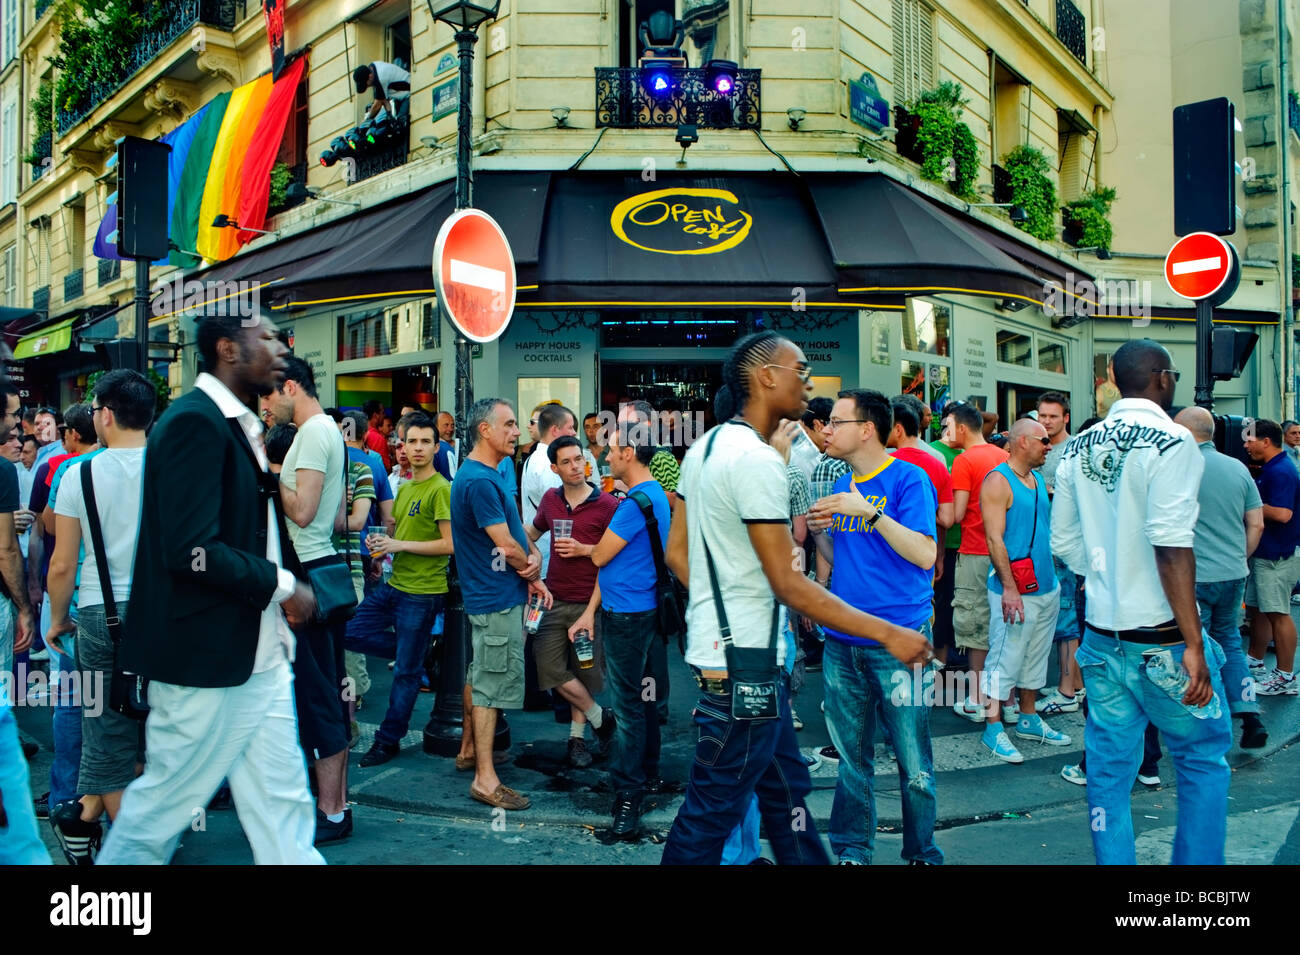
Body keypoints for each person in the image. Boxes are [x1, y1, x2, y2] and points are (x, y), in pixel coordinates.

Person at [660, 332, 931, 865]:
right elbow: (789, 581)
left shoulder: (704, 447)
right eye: (799, 368)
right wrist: (888, 632)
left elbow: (677, 554)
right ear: (765, 377)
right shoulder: (758, 462)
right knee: (711, 810)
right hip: (747, 669)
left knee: (788, 801)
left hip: (737, 662)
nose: (808, 381)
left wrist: (723, 611)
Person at [97, 309, 323, 865]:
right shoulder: (194, 422)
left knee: (284, 806)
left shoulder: (235, 423)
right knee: (159, 811)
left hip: (256, 654)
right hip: (206, 657)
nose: (280, 348)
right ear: (227, 349)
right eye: (266, 337)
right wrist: (283, 585)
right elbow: (189, 552)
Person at [1051, 338, 1230, 866]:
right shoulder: (1174, 442)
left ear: (1111, 375)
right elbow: (1171, 544)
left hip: (1103, 637)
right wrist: (1194, 641)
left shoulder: (1079, 446)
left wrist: (1105, 572)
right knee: (1199, 759)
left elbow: (1063, 542)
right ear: (1165, 379)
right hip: (1165, 640)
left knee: (1108, 776)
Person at [808, 389, 943, 866]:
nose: (826, 429)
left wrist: (871, 512)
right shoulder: (842, 483)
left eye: (836, 422)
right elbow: (840, 559)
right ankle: (851, 851)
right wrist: (820, 531)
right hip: (844, 644)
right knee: (851, 759)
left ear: (866, 429)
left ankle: (922, 852)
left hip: (899, 643)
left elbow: (926, 554)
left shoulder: (909, 479)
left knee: (914, 765)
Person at [44, 371, 154, 863]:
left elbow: (63, 563)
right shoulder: (174, 470)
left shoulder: (77, 474)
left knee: (106, 732)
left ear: (105, 414)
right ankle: (86, 816)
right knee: (157, 735)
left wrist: (57, 620)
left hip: (98, 616)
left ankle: (122, 844)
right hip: (166, 619)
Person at [263, 356, 354, 845]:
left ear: (291, 386)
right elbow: (338, 516)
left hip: (309, 572)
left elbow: (304, 511)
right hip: (315, 569)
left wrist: (268, 472)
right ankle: (334, 807)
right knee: (322, 692)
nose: (265, 405)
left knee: (319, 697)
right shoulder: (321, 433)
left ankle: (333, 812)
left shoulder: (315, 431)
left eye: (269, 394)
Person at [451, 398, 549, 812]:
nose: (516, 431)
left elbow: (514, 533)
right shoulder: (478, 481)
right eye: (508, 424)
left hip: (496, 597)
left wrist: (532, 557)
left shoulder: (487, 475)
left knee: (480, 675)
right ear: (484, 431)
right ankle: (485, 779)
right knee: (491, 688)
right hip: (495, 600)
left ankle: (471, 752)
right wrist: (534, 573)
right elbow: (506, 546)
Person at [346, 412, 454, 767]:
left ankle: (387, 739)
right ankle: (418, 650)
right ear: (401, 447)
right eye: (412, 441)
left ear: (436, 447)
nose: (419, 448)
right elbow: (399, 535)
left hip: (423, 592)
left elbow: (449, 544)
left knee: (405, 674)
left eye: (426, 441)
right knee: (347, 632)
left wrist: (399, 546)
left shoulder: (441, 489)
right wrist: (385, 546)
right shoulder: (403, 486)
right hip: (396, 584)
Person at [588, 400, 672, 838]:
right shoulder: (656, 494)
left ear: (630, 454)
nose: (605, 454)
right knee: (644, 699)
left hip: (626, 616)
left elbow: (603, 554)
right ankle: (648, 774)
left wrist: (587, 549)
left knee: (626, 708)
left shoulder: (631, 504)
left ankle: (627, 797)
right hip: (647, 611)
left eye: (612, 448)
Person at [1172, 407, 1268, 746]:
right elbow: (1256, 523)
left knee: (1197, 646)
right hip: (1233, 572)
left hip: (1193, 576)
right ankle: (1249, 713)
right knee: (1229, 640)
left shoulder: (1178, 469)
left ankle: (1209, 720)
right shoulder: (1238, 468)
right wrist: (1240, 558)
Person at [978, 417, 1069, 764]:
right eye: (1043, 440)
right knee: (1004, 657)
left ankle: (1028, 717)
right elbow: (993, 538)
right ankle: (993, 726)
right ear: (1022, 442)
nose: (1049, 445)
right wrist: (1009, 589)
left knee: (1034, 656)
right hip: (1015, 589)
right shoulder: (998, 481)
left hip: (1045, 586)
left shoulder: (1035, 479)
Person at [525, 435, 618, 767]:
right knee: (547, 667)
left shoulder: (607, 504)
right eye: (566, 461)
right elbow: (530, 533)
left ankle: (576, 741)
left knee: (585, 673)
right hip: (553, 598)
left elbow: (616, 556)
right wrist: (532, 553)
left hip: (588, 603)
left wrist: (585, 550)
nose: (576, 466)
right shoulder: (550, 500)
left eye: (578, 459)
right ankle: (601, 719)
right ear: (555, 467)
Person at [949, 402, 1008, 721]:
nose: (946, 432)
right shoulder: (1004, 456)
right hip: (1005, 553)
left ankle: (977, 698)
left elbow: (956, 514)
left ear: (961, 428)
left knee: (974, 626)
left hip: (974, 550)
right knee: (1004, 627)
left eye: (948, 426)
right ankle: (1006, 699)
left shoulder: (964, 460)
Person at [1243, 418, 1300, 696]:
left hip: (1278, 555)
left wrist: (1250, 504)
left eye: (1250, 439)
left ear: (1266, 441)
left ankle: (1286, 676)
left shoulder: (1282, 472)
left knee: (1278, 613)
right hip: (1266, 553)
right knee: (1259, 610)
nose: (1246, 444)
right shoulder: (1272, 468)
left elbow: (1283, 513)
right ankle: (1254, 660)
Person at [887, 396, 954, 582]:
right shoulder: (938, 461)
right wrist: (939, 556)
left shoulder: (884, 462)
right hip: (926, 554)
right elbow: (947, 520)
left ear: (898, 429)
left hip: (889, 553)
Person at [362, 399, 393, 471]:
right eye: (383, 412)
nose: (384, 415)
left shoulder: (360, 434)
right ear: (375, 415)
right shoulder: (378, 438)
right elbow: (386, 468)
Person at [437, 410, 458, 477]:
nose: (450, 429)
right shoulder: (433, 449)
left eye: (452, 425)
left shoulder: (460, 446)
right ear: (436, 427)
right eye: (446, 425)